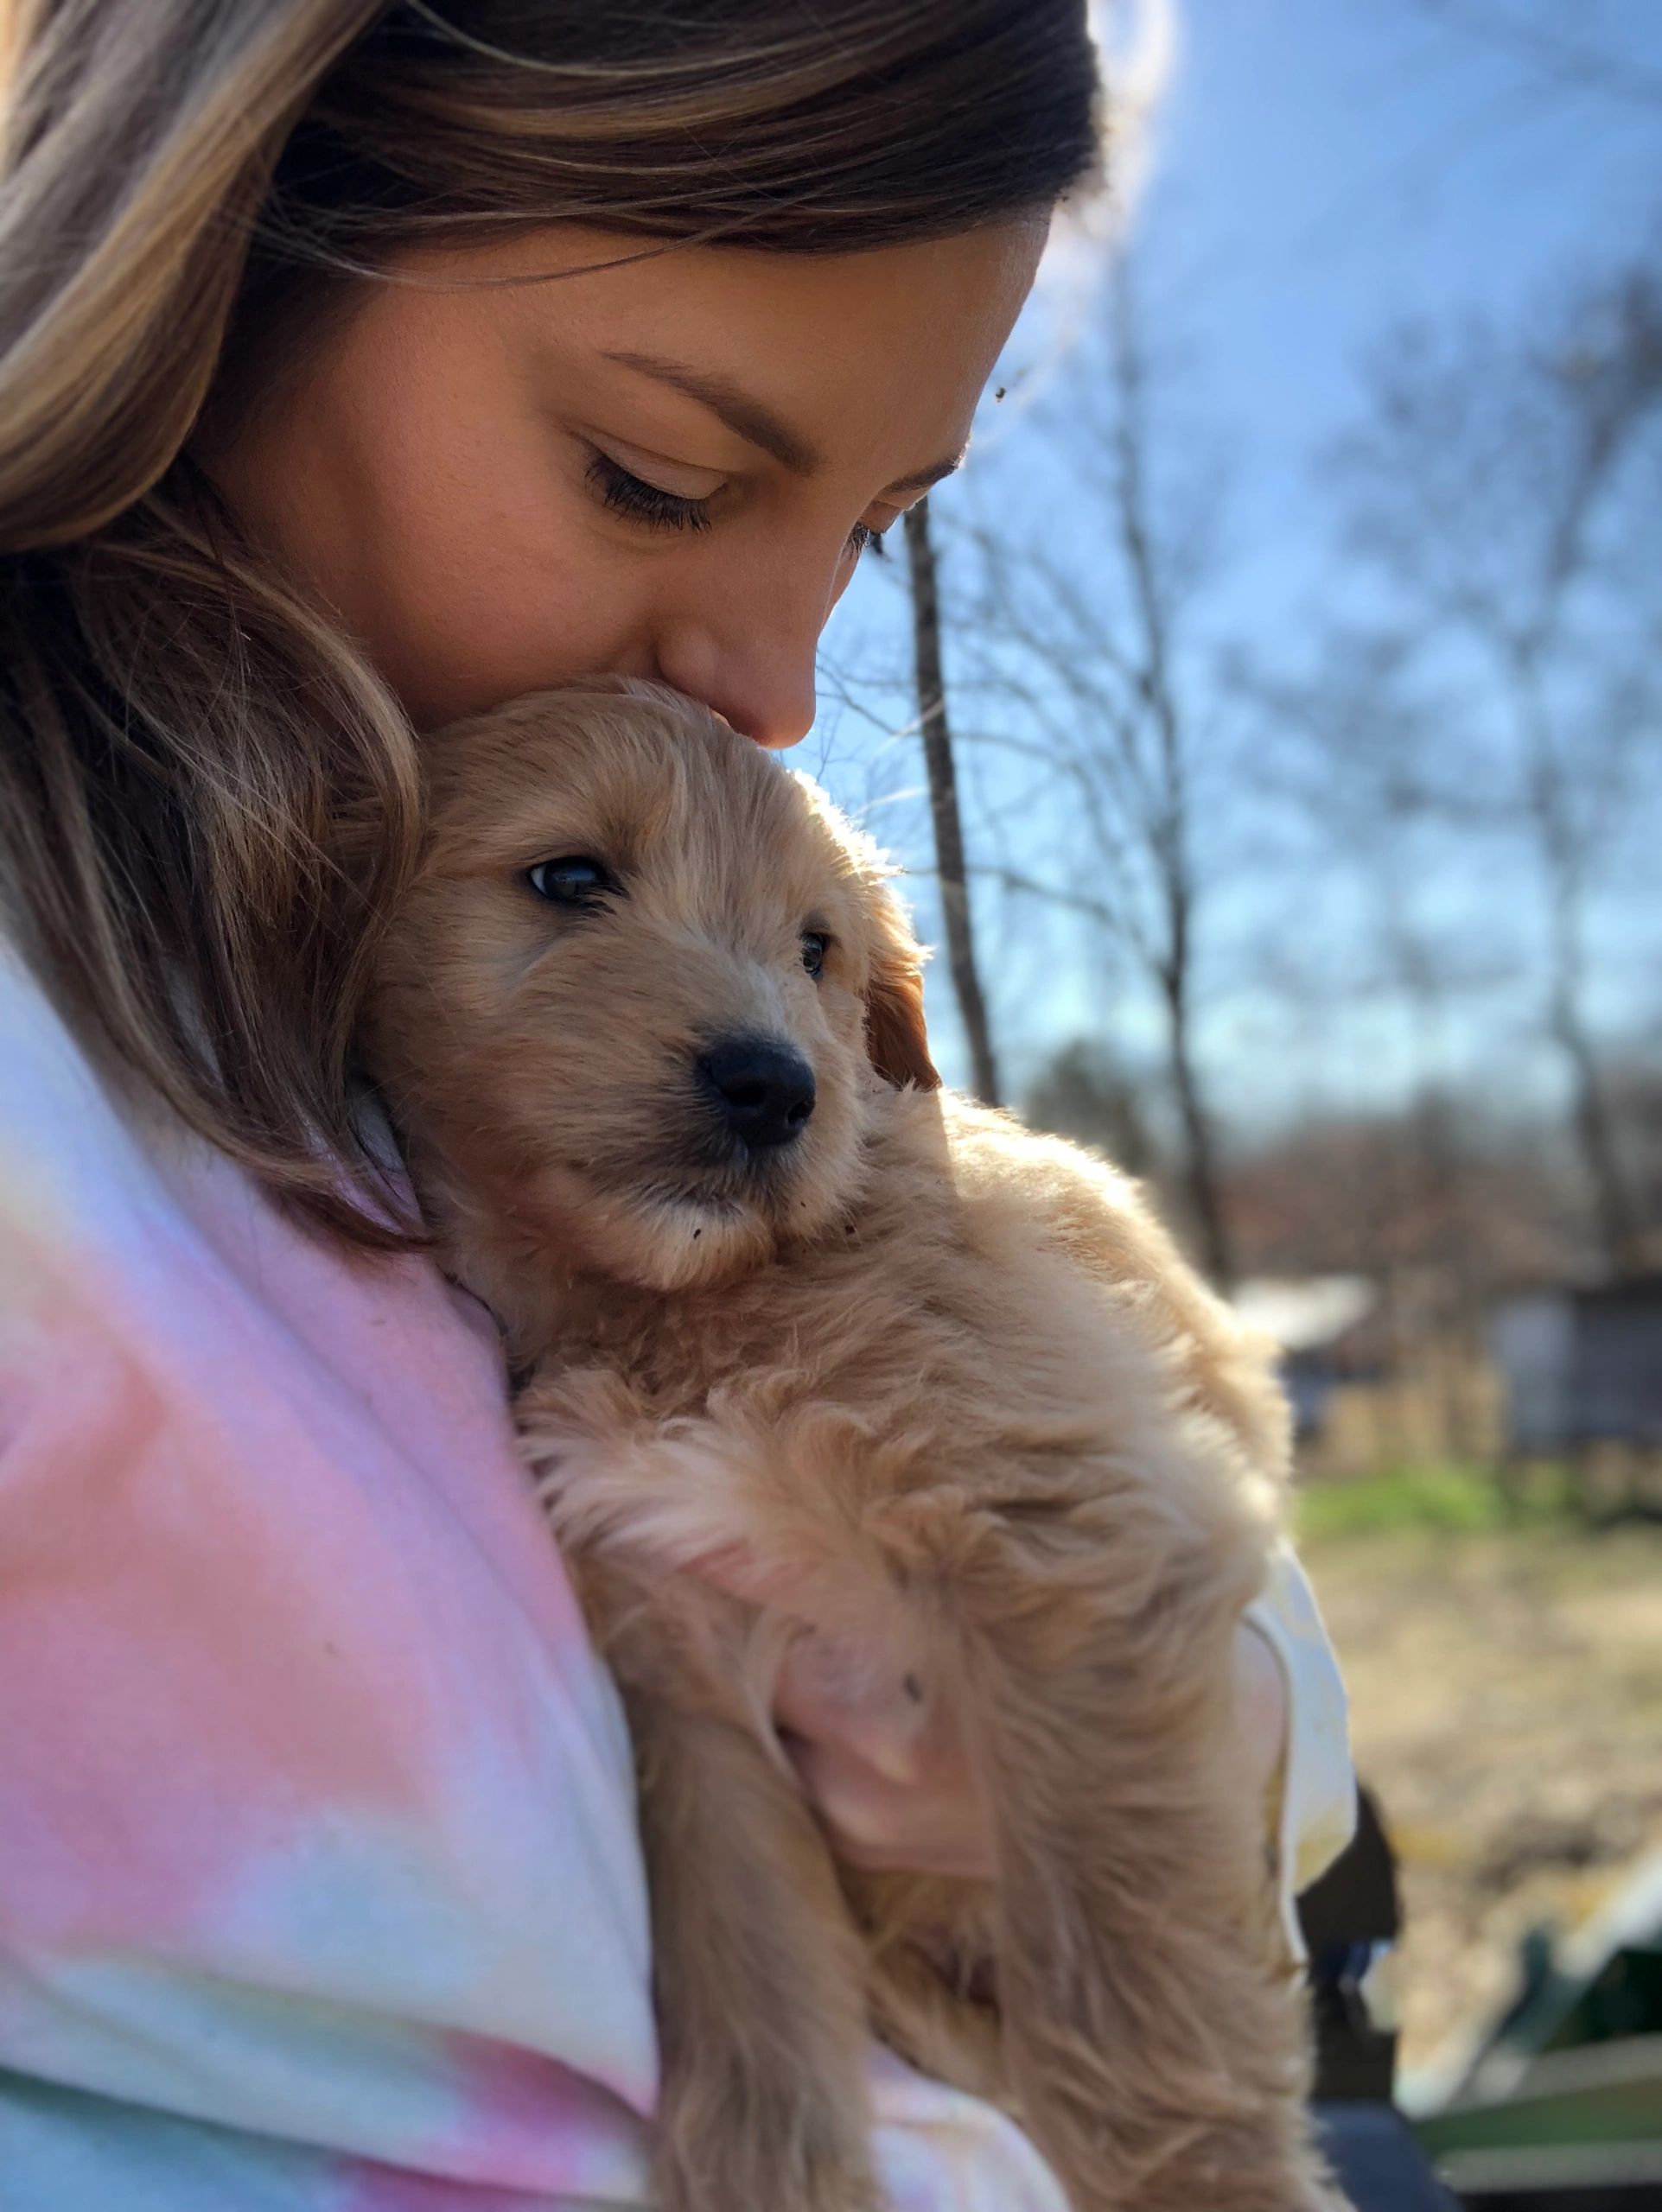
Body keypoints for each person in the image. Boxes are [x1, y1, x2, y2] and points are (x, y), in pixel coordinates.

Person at [0, 4, 1355, 2206]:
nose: (780, 681)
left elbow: (1175, 1573)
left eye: (878, 532)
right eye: (655, 473)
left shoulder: (720, 1069)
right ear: (220, 231)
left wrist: (1226, 1707)